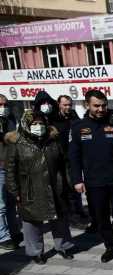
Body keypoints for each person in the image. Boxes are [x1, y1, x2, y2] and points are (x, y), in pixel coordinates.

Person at [69, 90, 113, 263]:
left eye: (103, 105)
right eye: (96, 106)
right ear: (87, 105)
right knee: (101, 218)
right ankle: (110, 247)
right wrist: (77, 180)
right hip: (94, 182)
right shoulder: (78, 127)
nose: (101, 109)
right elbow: (74, 156)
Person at [5, 110, 74, 264]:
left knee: (60, 218)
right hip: (29, 189)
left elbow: (65, 165)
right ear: (26, 125)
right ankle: (36, 252)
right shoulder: (17, 144)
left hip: (55, 185)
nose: (38, 126)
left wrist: (68, 183)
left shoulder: (53, 141)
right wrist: (14, 191)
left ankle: (63, 246)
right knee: (31, 222)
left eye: (41, 123)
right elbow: (10, 170)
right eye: (34, 123)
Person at [51, 95, 87, 229]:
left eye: (69, 105)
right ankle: (72, 216)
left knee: (76, 185)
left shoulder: (73, 116)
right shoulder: (54, 118)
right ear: (59, 104)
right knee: (67, 188)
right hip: (61, 158)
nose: (68, 107)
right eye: (65, 105)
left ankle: (79, 210)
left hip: (74, 157)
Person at [0, 94, 20, 250]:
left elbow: (14, 140)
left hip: (10, 165)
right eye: (0, 105)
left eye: (5, 104)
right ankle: (3, 236)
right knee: (1, 205)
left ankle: (14, 232)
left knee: (12, 202)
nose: (3, 108)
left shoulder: (10, 119)